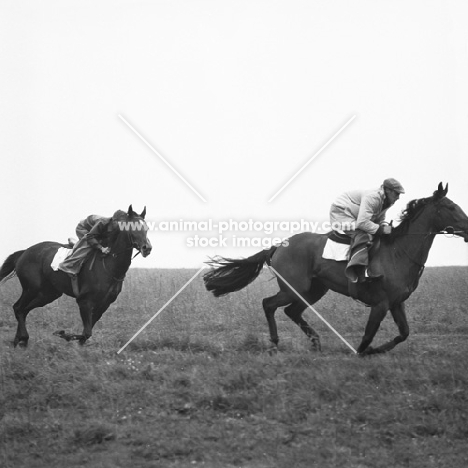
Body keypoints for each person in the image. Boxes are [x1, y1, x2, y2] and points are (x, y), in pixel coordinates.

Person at [329, 178, 405, 282]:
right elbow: (362, 223)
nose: (398, 197)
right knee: (362, 235)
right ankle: (358, 270)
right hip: (341, 212)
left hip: (354, 214)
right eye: (396, 194)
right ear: (388, 190)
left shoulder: (388, 201)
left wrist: (386, 228)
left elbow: (379, 219)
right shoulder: (373, 197)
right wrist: (381, 230)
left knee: (380, 234)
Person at [58, 212, 124, 277]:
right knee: (90, 245)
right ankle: (67, 265)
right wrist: (101, 248)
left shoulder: (120, 224)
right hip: (83, 229)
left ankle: (78, 244)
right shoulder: (102, 222)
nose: (122, 225)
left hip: (97, 233)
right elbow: (90, 237)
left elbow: (132, 228)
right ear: (114, 221)